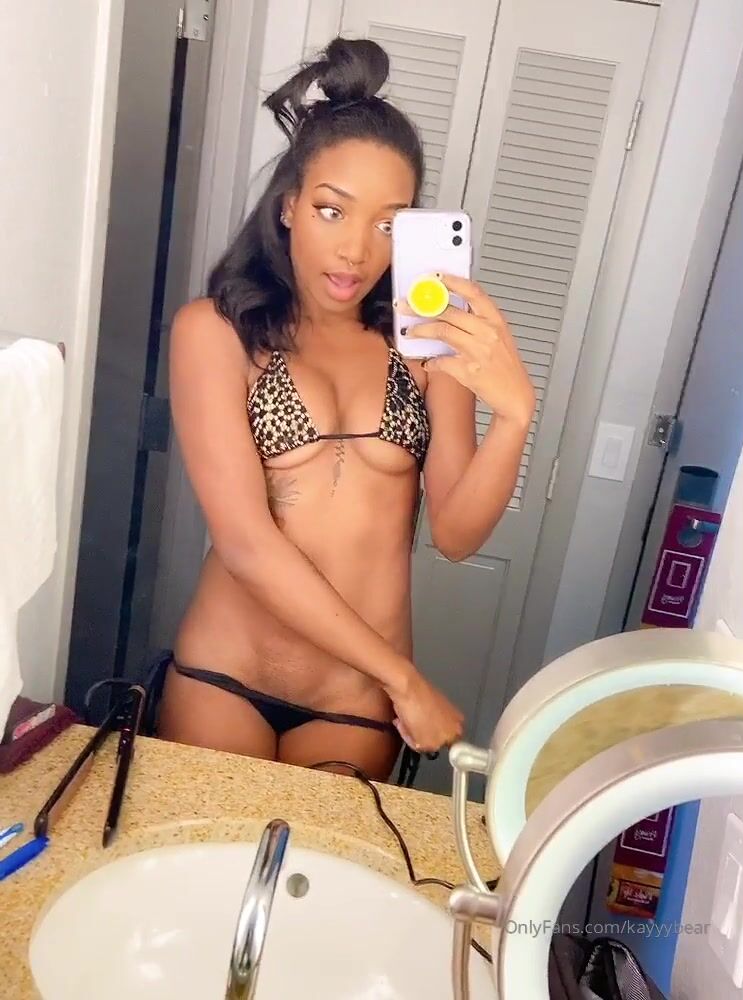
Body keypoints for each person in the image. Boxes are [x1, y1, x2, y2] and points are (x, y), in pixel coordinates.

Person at [157, 37, 535, 781]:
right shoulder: (217, 333)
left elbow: (457, 534)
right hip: (224, 677)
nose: (357, 250)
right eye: (332, 210)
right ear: (289, 206)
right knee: (200, 854)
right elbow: (246, 543)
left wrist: (516, 415)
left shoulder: (426, 350)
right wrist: (405, 680)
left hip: (352, 702)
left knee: (323, 863)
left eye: (389, 224)